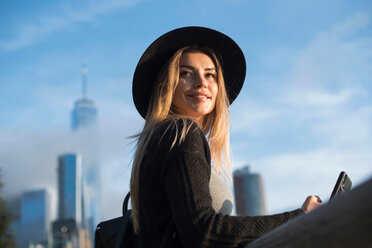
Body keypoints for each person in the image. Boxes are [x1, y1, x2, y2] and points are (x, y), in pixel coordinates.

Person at [129, 26, 322, 248]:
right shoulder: (180, 133)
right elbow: (203, 231)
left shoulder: (161, 138)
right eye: (185, 73)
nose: (201, 82)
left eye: (210, 74)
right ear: (167, 84)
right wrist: (299, 216)